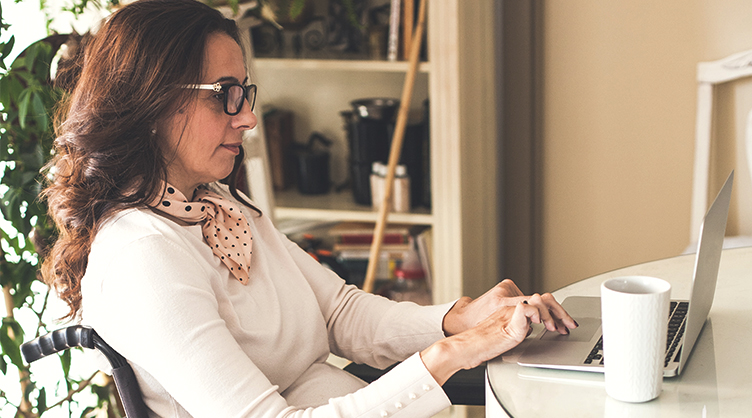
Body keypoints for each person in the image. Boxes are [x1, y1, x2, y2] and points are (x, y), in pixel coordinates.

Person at [42, 0, 578, 417]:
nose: (248, 117)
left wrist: (459, 316)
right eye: (223, 93)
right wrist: (451, 353)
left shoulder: (214, 204)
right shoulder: (143, 257)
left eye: (245, 92)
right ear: (152, 100)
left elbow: (339, 312)